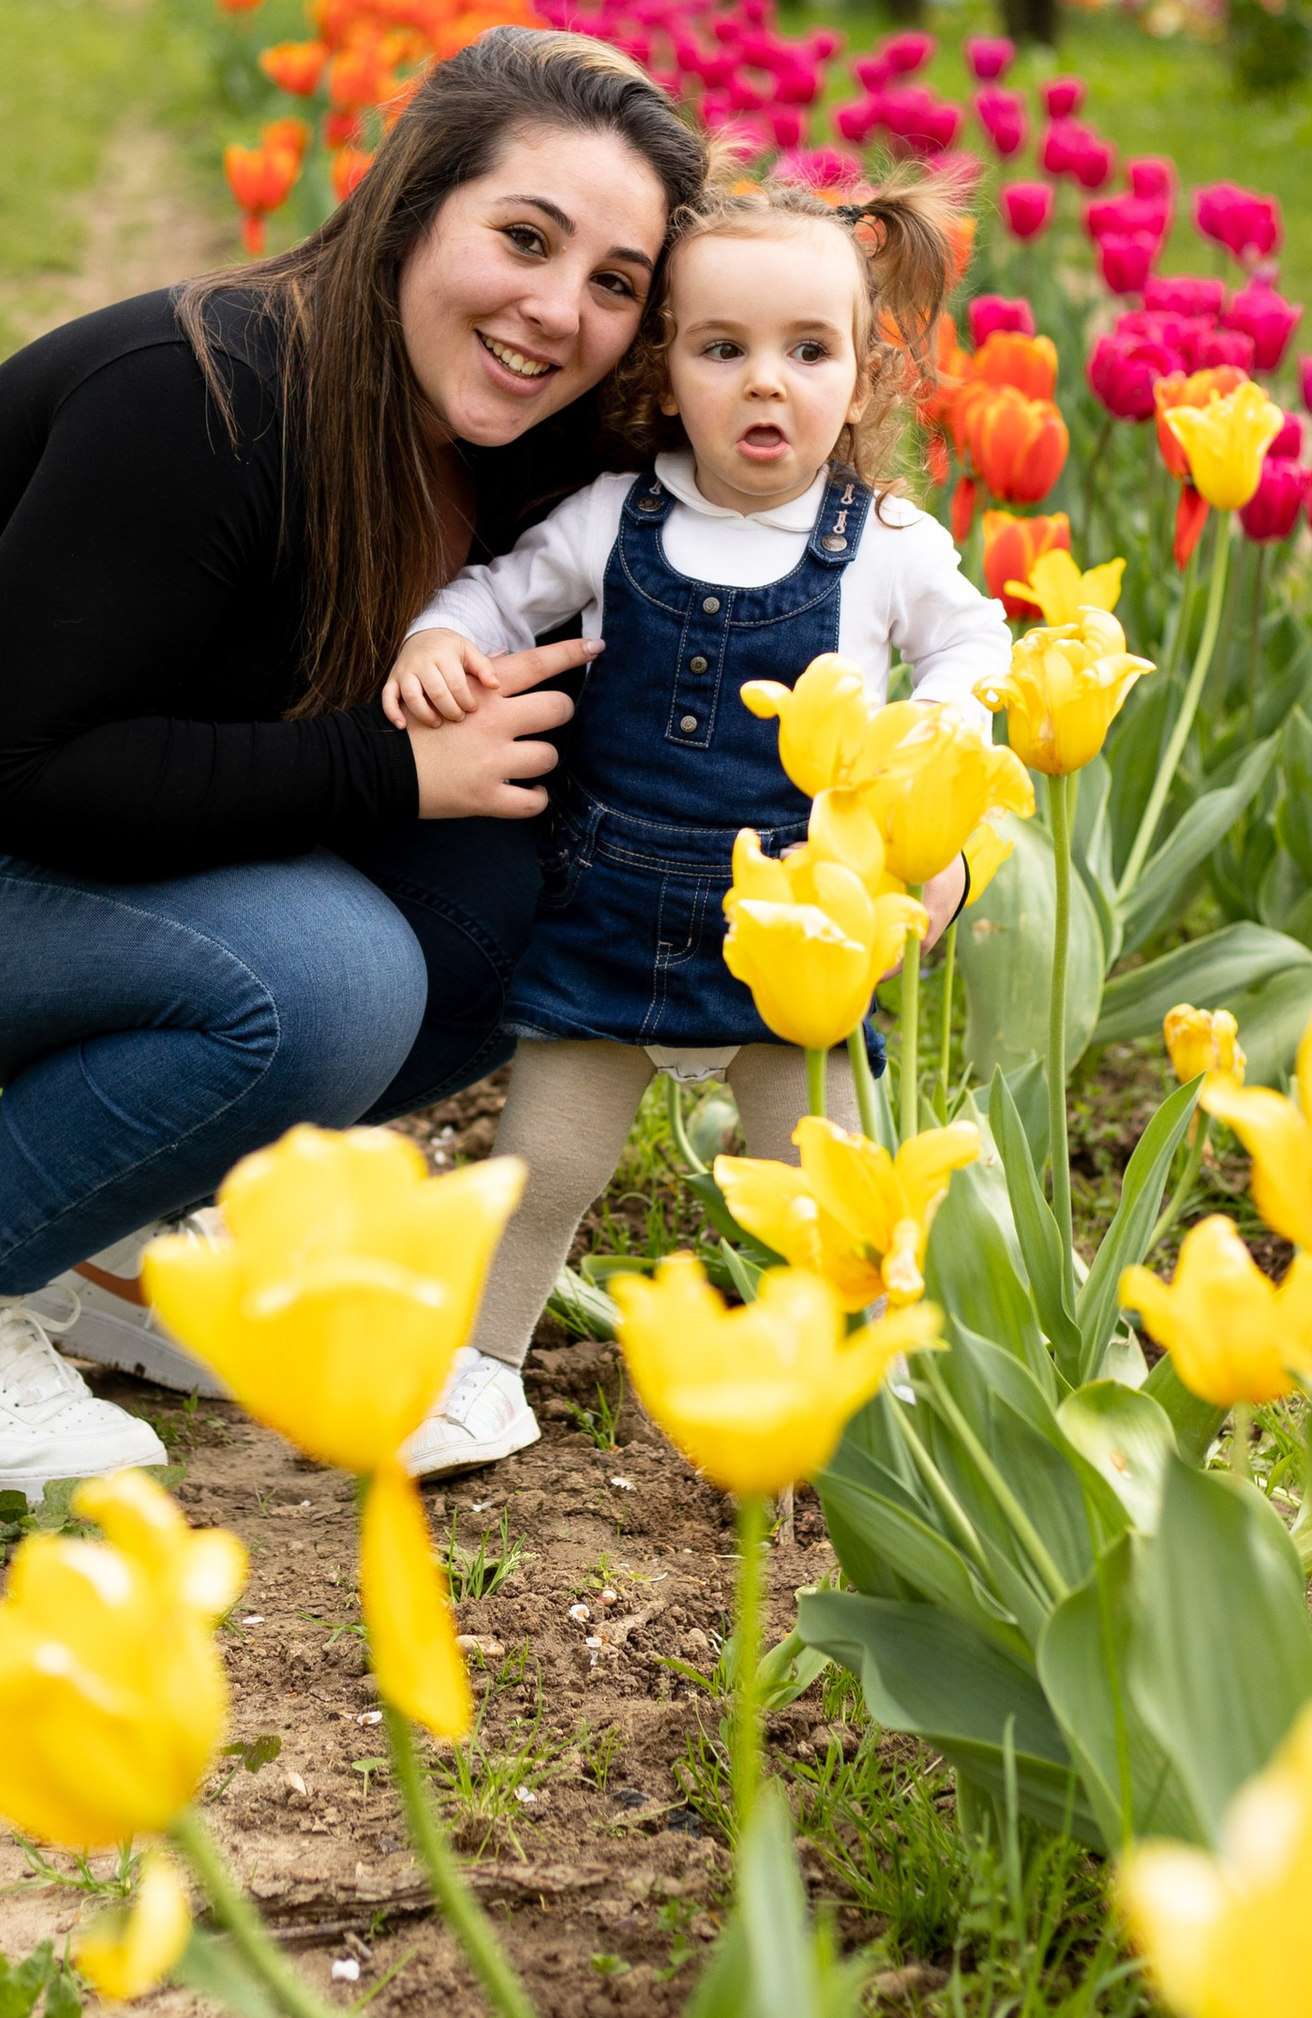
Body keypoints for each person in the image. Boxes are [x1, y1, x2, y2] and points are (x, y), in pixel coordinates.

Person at [0, 28, 708, 1502]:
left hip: (19, 860)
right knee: (330, 975)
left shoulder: (511, 451)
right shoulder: (201, 394)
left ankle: (108, 1248)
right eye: (525, 238)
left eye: (615, 283)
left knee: (532, 902)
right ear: (415, 206)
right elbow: (15, 773)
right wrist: (388, 773)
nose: (558, 310)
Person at [380, 178, 1009, 1412]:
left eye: (806, 350)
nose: (765, 382)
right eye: (724, 349)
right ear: (665, 375)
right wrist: (437, 640)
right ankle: (481, 1370)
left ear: (864, 378)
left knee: (819, 1171)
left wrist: (927, 764)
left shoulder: (881, 541)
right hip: (611, 904)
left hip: (798, 923)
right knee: (544, 1159)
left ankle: (847, 1378)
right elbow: (500, 592)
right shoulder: (617, 517)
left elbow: (974, 648)